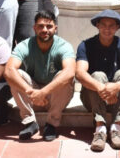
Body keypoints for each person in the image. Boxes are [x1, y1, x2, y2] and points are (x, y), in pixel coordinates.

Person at [5, 10, 75, 141]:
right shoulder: (25, 45)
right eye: (40, 26)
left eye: (49, 26)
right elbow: (9, 70)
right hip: (34, 95)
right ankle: (30, 122)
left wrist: (43, 92)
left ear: (55, 28)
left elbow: (70, 72)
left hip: (56, 97)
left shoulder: (64, 46)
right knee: (16, 74)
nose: (45, 30)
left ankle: (51, 124)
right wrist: (30, 91)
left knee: (64, 76)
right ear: (34, 28)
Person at [76, 10, 120, 152]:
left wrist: (116, 87)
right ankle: (100, 129)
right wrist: (101, 88)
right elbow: (80, 73)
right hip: (92, 99)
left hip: (116, 99)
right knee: (97, 75)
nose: (107, 29)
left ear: (117, 27)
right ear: (97, 25)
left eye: (112, 25)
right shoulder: (86, 45)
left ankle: (116, 127)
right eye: (103, 25)